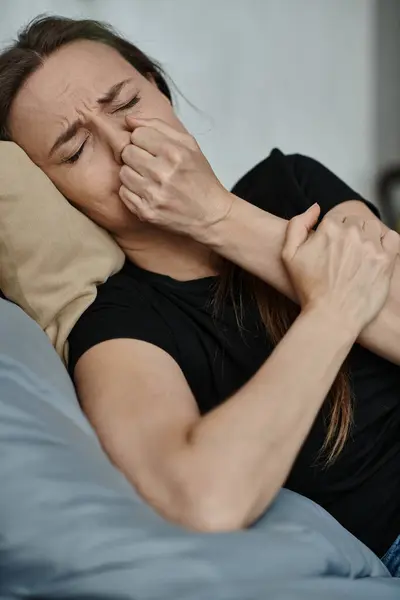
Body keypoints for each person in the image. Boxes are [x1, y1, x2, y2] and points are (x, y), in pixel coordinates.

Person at [0, 15, 399, 576]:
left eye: (124, 103)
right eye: (75, 151)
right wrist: (331, 311)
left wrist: (215, 216)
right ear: (54, 192)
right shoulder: (117, 326)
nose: (123, 144)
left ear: (160, 92)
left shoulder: (289, 186)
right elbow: (205, 496)